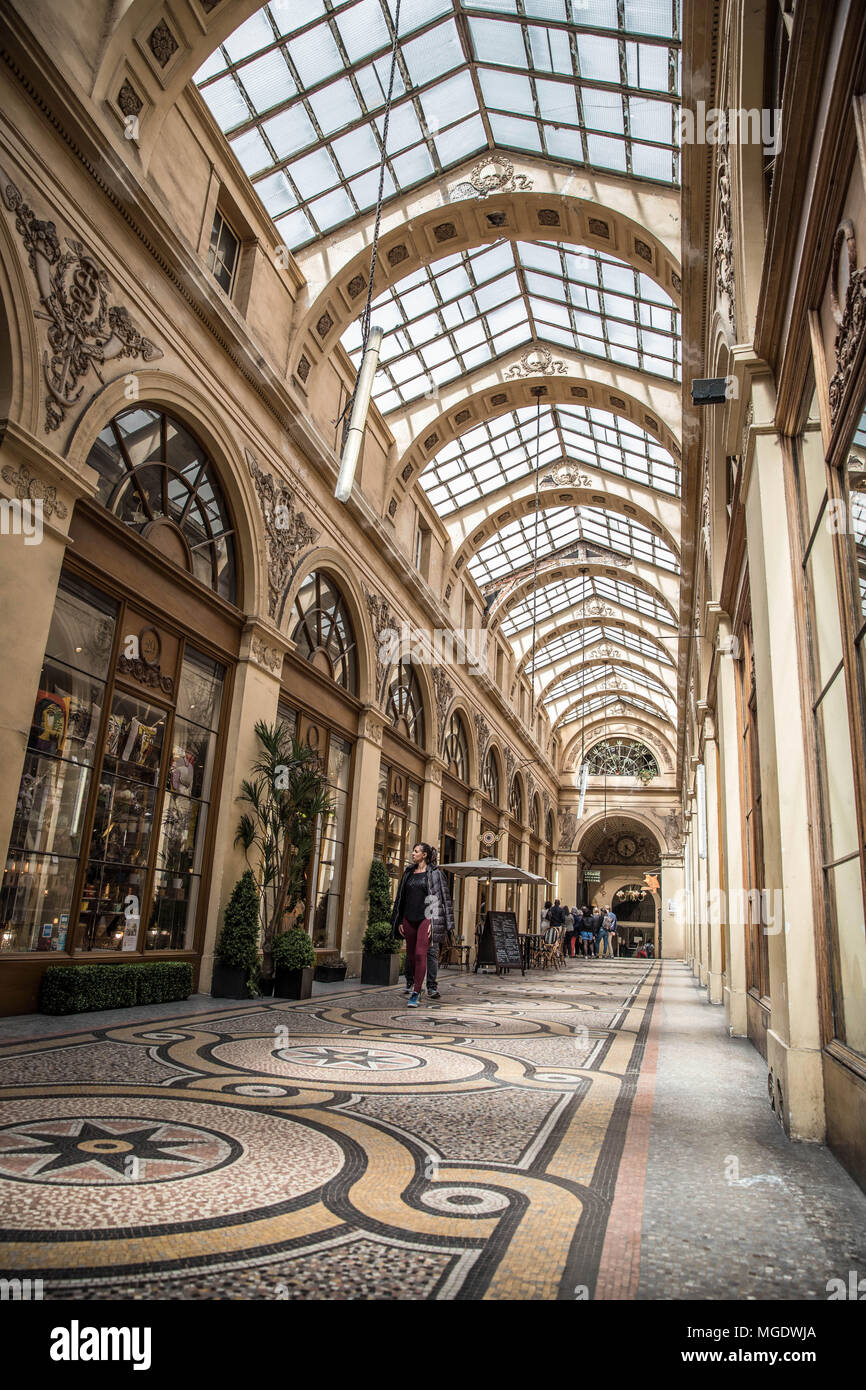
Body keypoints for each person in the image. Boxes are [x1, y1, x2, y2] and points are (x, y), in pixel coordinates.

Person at [391, 842, 454, 1006]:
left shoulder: (435, 874)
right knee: (411, 956)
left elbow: (440, 899)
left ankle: (416, 992)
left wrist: (435, 922)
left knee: (421, 954)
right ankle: (414, 982)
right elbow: (401, 898)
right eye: (413, 851)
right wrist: (399, 920)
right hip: (408, 918)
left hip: (426, 918)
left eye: (416, 851)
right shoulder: (408, 872)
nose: (413, 854)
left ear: (424, 855)